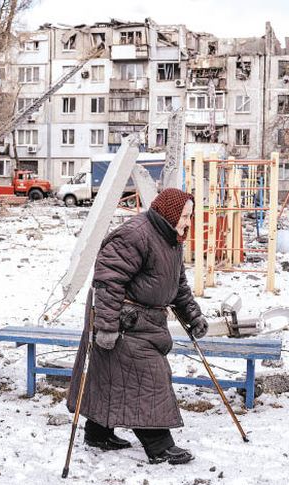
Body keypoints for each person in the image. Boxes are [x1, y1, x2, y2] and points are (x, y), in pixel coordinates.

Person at [67, 188, 208, 466]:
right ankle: (159, 446)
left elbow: (177, 285)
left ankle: (98, 433)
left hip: (148, 321)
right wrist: (106, 327)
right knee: (150, 378)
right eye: (185, 216)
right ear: (170, 213)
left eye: (190, 216)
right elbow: (108, 280)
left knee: (109, 376)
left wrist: (193, 316)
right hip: (123, 319)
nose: (188, 222)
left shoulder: (171, 239)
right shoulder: (135, 234)